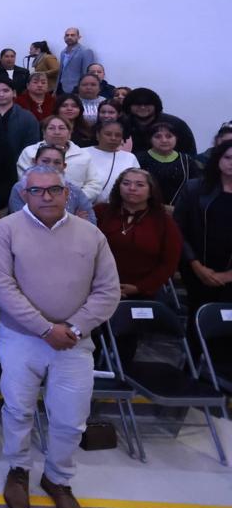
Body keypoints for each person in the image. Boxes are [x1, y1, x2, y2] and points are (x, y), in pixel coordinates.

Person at [0, 165, 120, 508]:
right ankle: (18, 470)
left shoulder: (91, 235)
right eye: (37, 190)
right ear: (24, 195)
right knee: (18, 409)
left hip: (74, 341)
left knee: (71, 419)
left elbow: (108, 290)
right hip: (21, 337)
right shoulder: (6, 229)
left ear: (67, 193)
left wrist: (72, 328)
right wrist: (45, 328)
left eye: (54, 190)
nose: (46, 196)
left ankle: (58, 479)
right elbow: (2, 287)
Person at [174, 140, 232, 363]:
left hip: (230, 274)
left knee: (225, 328)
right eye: (227, 158)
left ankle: (220, 372)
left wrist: (228, 275)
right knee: (197, 320)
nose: (231, 163)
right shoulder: (194, 188)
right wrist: (196, 266)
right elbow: (178, 230)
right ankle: (191, 369)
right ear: (218, 159)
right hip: (197, 268)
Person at [95, 168, 182, 301]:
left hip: (146, 292)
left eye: (140, 185)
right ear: (118, 187)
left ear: (151, 191)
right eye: (126, 183)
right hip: (100, 287)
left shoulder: (164, 222)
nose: (132, 188)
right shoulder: (100, 212)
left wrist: (139, 287)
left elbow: (169, 263)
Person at [16, 115, 107, 202]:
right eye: (51, 128)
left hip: (76, 206)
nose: (57, 132)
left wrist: (73, 200)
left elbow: (94, 183)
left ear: (69, 133)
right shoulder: (30, 152)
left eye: (62, 128)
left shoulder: (83, 155)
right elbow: (24, 182)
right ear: (44, 133)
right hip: (38, 203)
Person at [6, 144, 97, 225]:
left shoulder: (74, 190)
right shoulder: (21, 188)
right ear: (34, 162)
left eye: (57, 162)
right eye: (45, 161)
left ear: (64, 166)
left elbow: (91, 223)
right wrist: (73, 222)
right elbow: (22, 223)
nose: (51, 165)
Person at [121, 87, 197, 157]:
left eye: (147, 104)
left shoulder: (176, 124)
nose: (142, 107)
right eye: (137, 104)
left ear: (156, 105)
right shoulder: (121, 125)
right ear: (129, 106)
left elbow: (189, 154)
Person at [138, 120, 197, 207]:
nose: (164, 140)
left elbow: (194, 189)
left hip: (179, 210)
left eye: (169, 136)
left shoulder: (187, 161)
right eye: (158, 136)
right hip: (146, 208)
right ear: (150, 139)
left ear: (176, 138)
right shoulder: (139, 159)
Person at [86, 118, 141, 204]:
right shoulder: (82, 153)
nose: (113, 138)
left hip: (118, 206)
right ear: (98, 135)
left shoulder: (130, 157)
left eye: (118, 135)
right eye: (108, 134)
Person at [0, 79, 40, 159]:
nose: (1, 94)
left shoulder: (27, 117)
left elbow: (32, 146)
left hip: (19, 162)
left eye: (6, 91)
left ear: (14, 93)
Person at [57, 27, 96, 95]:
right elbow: (61, 72)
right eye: (67, 35)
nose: (69, 37)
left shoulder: (86, 51)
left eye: (72, 35)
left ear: (79, 37)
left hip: (76, 89)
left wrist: (83, 89)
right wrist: (56, 89)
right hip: (61, 88)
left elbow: (87, 73)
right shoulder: (63, 52)